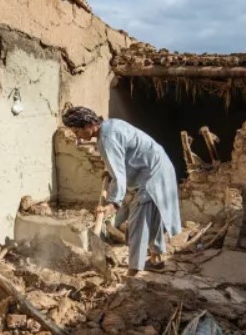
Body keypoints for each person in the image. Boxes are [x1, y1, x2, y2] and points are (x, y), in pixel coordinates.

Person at [61, 106, 182, 276]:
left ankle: (133, 271)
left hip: (152, 175)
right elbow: (120, 162)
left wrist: (113, 203)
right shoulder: (111, 125)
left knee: (138, 222)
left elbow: (119, 175)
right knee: (153, 217)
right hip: (160, 166)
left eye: (77, 131)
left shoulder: (107, 139)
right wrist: (109, 172)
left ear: (88, 125)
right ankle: (156, 260)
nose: (77, 136)